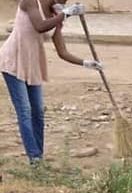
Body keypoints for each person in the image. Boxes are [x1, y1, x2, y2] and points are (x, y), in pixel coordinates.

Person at [0, 1, 102, 164]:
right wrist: (66, 14)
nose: (62, 3)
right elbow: (40, 26)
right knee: (25, 110)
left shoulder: (55, 16)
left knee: (38, 111)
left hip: (33, 66)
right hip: (12, 62)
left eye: (64, 1)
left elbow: (62, 52)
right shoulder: (30, 2)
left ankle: (39, 154)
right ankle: (34, 158)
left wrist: (86, 63)